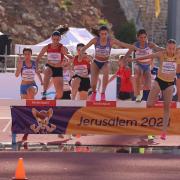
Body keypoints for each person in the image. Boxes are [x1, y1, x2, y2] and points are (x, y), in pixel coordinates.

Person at [132, 39, 180, 140]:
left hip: (170, 83)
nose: (171, 51)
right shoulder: (162, 54)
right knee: (149, 104)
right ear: (166, 47)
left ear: (175, 49)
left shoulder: (178, 55)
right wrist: (134, 60)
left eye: (173, 49)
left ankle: (163, 132)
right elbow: (149, 56)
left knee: (167, 108)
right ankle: (149, 130)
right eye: (169, 48)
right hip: (159, 81)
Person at [79, 25, 138, 101]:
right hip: (96, 62)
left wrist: (133, 47)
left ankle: (103, 93)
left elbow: (122, 44)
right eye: (102, 34)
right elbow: (84, 48)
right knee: (93, 84)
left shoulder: (111, 40)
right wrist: (82, 54)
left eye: (105, 34)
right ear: (99, 34)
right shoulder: (95, 40)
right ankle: (94, 92)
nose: (104, 36)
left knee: (106, 73)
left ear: (107, 34)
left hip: (105, 62)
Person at [123, 29, 163, 102]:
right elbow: (128, 53)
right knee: (139, 73)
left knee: (148, 84)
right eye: (141, 37)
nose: (143, 39)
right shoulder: (135, 45)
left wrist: (168, 50)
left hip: (147, 66)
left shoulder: (150, 44)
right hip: (138, 64)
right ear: (137, 38)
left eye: (144, 37)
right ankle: (138, 95)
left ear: (147, 37)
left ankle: (149, 96)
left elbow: (158, 49)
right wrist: (124, 61)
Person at [15, 47, 43, 141]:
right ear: (23, 55)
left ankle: (36, 116)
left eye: (28, 54)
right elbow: (16, 75)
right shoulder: (21, 63)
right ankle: (28, 129)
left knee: (30, 92)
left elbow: (37, 72)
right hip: (23, 87)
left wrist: (42, 81)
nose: (27, 56)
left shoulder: (34, 63)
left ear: (31, 54)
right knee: (26, 109)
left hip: (32, 85)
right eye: (25, 54)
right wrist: (19, 66)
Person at [36, 25, 71, 100]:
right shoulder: (47, 47)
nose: (55, 41)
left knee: (60, 94)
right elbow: (38, 58)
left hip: (58, 69)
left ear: (60, 39)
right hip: (49, 66)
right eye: (54, 39)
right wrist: (36, 67)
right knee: (47, 70)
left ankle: (55, 100)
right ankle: (44, 92)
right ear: (51, 38)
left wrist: (73, 57)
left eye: (57, 40)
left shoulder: (62, 47)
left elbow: (68, 55)